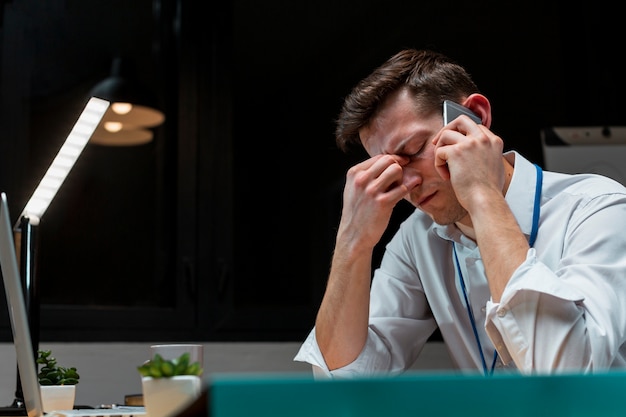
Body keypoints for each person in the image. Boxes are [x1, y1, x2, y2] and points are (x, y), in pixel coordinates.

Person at [294, 48, 626, 377]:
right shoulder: (416, 238)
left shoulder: (599, 207)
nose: (407, 184)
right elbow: (342, 380)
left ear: (475, 117)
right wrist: (353, 241)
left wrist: (481, 194)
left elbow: (567, 372)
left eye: (413, 150)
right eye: (390, 168)